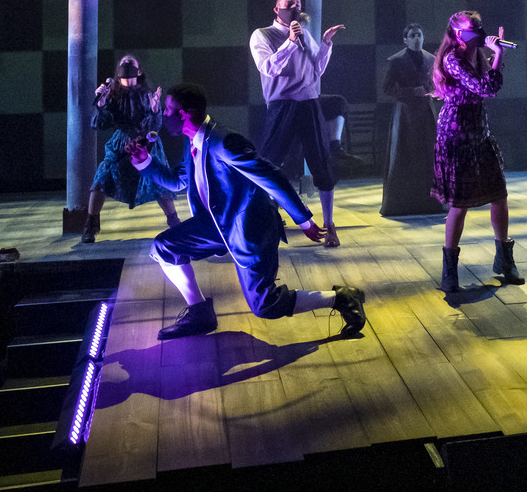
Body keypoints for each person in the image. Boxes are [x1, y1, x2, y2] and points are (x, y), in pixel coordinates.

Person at [129, 83, 365, 340]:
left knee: (265, 305)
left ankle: (341, 298)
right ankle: (200, 314)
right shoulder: (192, 141)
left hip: (249, 229)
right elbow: (178, 181)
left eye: (167, 109)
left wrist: (304, 220)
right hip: (217, 224)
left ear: (184, 113)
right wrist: (144, 161)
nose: (163, 115)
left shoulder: (224, 142)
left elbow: (272, 176)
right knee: (164, 247)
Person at [431, 12, 523, 292]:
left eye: (479, 28)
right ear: (457, 33)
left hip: (479, 133)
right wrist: (497, 54)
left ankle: (504, 260)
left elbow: (489, 87)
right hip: (457, 136)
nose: (478, 33)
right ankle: (450, 270)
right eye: (472, 30)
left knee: (499, 195)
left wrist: (494, 54)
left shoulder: (477, 55)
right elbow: (487, 87)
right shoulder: (453, 58)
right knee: (459, 206)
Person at [250, 0, 347, 247]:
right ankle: (266, 221)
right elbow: (269, 67)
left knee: (322, 163)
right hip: (282, 105)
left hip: (309, 103)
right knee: (268, 164)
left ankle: (330, 225)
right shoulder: (263, 35)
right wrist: (291, 42)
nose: (294, 10)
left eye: (298, 6)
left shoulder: (305, 33)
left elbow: (317, 70)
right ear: (276, 9)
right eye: (288, 6)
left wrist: (325, 44)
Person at [83, 55, 179, 243]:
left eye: (131, 63)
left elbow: (156, 126)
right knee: (102, 177)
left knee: (159, 181)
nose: (126, 65)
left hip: (146, 143)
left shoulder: (147, 94)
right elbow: (99, 124)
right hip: (121, 143)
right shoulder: (111, 94)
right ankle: (91, 225)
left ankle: (174, 222)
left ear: (139, 71)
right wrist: (101, 105)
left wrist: (154, 110)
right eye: (123, 64)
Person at [380, 24, 441, 216]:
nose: (417, 38)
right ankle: (401, 204)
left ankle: (431, 202)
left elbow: (438, 82)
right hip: (405, 113)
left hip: (426, 112)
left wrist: (433, 90)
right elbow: (387, 88)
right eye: (413, 36)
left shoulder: (432, 59)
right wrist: (409, 92)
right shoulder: (396, 60)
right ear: (406, 40)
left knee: (428, 155)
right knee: (404, 155)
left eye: (419, 35)